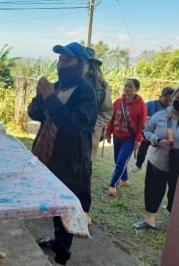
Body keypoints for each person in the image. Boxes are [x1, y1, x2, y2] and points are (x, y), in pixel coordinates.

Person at [29, 42, 97, 266]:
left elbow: (71, 125)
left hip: (70, 161)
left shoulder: (86, 93)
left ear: (81, 65)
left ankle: (61, 258)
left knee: (65, 209)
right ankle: (57, 243)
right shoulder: (58, 86)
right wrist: (41, 97)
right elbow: (37, 114)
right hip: (49, 154)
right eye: (60, 60)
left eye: (67, 60)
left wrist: (50, 98)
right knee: (54, 205)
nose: (61, 64)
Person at [133, 86, 179, 229]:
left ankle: (173, 220)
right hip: (157, 162)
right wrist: (157, 140)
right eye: (178, 97)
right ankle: (150, 220)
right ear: (172, 99)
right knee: (153, 190)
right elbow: (146, 130)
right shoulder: (161, 116)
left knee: (177, 193)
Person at [80, 47, 113, 225]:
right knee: (64, 172)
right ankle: (63, 208)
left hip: (88, 137)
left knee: (84, 174)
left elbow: (106, 111)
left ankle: (83, 210)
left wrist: (92, 125)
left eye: (85, 62)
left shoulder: (101, 85)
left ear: (90, 64)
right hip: (67, 137)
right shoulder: (69, 81)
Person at [106, 78, 148, 196]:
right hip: (117, 137)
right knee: (117, 160)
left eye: (130, 86)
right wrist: (108, 132)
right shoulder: (118, 102)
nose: (127, 88)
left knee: (120, 162)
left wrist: (139, 140)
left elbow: (142, 124)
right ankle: (125, 179)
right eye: (126, 86)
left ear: (137, 89)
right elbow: (112, 118)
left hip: (129, 139)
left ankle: (113, 185)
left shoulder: (141, 105)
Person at [132, 87, 174, 172]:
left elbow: (170, 125)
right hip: (149, 133)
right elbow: (142, 118)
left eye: (170, 101)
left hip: (162, 135)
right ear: (161, 96)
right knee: (142, 150)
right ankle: (138, 165)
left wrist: (170, 137)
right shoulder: (150, 104)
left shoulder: (171, 110)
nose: (168, 103)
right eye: (166, 100)